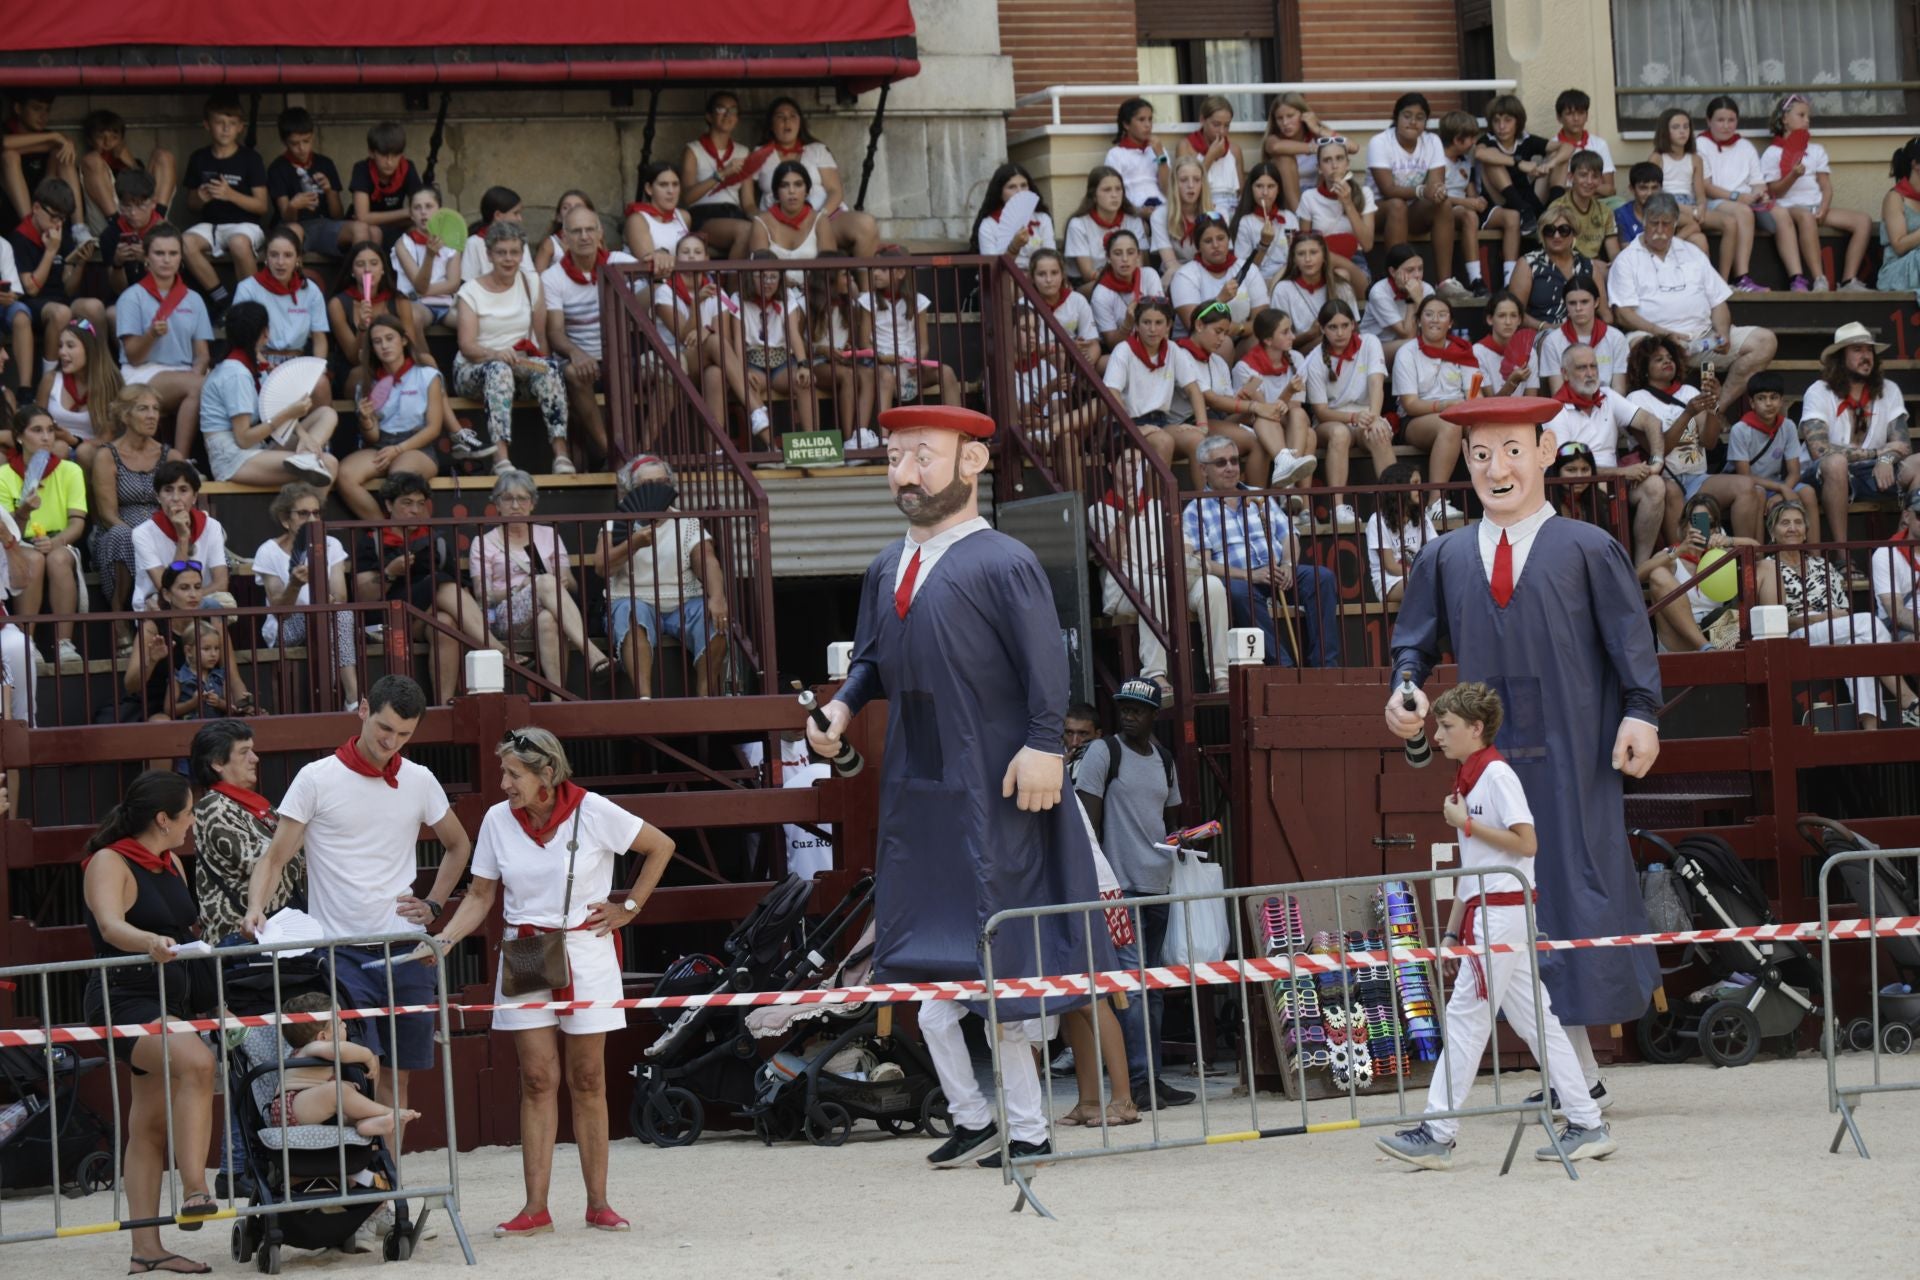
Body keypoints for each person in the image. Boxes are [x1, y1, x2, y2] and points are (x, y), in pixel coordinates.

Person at [803, 403, 1112, 1170]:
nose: (904, 473)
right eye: (893, 458)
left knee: (995, 960)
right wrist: (841, 707)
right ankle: (972, 1113)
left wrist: (1045, 744)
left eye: (922, 456)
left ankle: (1029, 1127)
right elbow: (871, 661)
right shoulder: (886, 566)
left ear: (972, 462)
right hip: (919, 789)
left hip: (991, 783)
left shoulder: (1004, 561)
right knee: (920, 959)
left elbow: (1048, 662)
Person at [1388, 395, 1662, 1113]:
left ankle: (1573, 1084)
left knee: (1568, 897)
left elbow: (1630, 640)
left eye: (1512, 450)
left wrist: (1641, 711)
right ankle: (1578, 1082)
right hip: (1490, 763)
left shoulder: (1588, 548)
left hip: (1575, 754)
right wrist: (1405, 689)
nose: (1496, 468)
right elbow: (1413, 645)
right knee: (1504, 908)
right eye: (1481, 455)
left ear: (1545, 452)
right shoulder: (1445, 556)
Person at [431, 728, 675, 1235]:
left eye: (512, 774)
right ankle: (535, 1208)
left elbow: (661, 846)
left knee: (588, 1078)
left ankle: (598, 1203)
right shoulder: (498, 820)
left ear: (546, 773)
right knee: (537, 1079)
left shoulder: (593, 810)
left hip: (586, 947)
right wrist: (444, 940)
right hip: (527, 950)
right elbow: (479, 896)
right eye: (504, 773)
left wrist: (628, 908)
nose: (504, 784)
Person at [1377, 681, 1617, 1169]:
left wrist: (1465, 824)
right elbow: (1475, 867)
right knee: (1537, 1024)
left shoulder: (1496, 775)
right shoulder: (1473, 776)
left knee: (1468, 1018)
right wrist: (1452, 929)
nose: (1437, 735)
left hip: (1500, 914)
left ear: (1475, 728)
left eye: (1446, 727)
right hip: (1495, 912)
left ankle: (1438, 1132)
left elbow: (1527, 843)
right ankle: (1587, 1122)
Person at [242, 675, 474, 1134]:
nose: (391, 741)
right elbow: (275, 857)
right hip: (340, 952)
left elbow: (459, 844)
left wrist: (433, 904)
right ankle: (363, 1173)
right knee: (347, 1073)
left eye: (404, 734)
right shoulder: (317, 777)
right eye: (384, 727)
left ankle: (387, 1178)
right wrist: (255, 908)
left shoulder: (419, 779)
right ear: (363, 709)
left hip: (405, 949)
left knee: (397, 1078)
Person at [81, 769, 219, 1276]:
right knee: (197, 1062)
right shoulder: (109, 861)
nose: (192, 823)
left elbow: (186, 930)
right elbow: (110, 925)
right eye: (188, 814)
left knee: (148, 1124)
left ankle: (146, 1249)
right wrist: (149, 943)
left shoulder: (171, 863)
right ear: (163, 819)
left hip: (169, 1000)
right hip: (124, 999)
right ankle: (196, 1187)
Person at [1074, 678, 1193, 1108]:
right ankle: (1138, 1084)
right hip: (1119, 889)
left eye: (1137, 710)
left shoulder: (1164, 759)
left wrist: (1188, 837)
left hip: (1157, 885)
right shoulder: (1104, 752)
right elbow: (1085, 824)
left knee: (1153, 987)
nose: (1128, 715)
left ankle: (1152, 1079)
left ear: (1153, 715)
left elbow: (1171, 820)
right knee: (1134, 987)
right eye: (1123, 708)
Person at [1182, 433, 1341, 667]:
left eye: (1234, 460)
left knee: (1322, 578)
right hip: (1238, 578)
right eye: (1221, 463)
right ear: (1203, 469)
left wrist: (1288, 564)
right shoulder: (1196, 509)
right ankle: (1283, 668)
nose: (1230, 468)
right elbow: (1204, 564)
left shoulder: (1258, 495)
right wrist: (1250, 575)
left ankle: (1325, 666)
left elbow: (1289, 534)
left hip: (1277, 571)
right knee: (1237, 592)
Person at [1758, 499, 1920, 729]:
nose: (1793, 528)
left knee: (1860, 647)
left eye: (1798, 522)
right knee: (1868, 622)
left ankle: (1871, 731)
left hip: (1833, 632)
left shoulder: (1822, 565)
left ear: (1806, 531)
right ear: (1772, 532)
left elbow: (1843, 610)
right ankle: (1908, 699)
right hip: (1796, 638)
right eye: (1785, 523)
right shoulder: (1767, 567)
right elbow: (1775, 623)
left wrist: (1832, 618)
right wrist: (1820, 618)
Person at [1607, 193, 1776, 407]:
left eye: (1666, 224)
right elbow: (1623, 314)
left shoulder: (1691, 252)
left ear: (1675, 224)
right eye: (1654, 223)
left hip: (1702, 339)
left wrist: (1723, 332)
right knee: (1639, 345)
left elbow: (1718, 301)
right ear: (1644, 222)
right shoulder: (1628, 259)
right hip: (1655, 339)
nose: (1659, 230)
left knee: (1764, 341)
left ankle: (1717, 409)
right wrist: (1663, 334)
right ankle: (1656, 412)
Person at [1087, 447, 1231, 694]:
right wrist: (1127, 515)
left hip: (1170, 581)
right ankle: (1155, 674)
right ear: (1111, 468)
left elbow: (1186, 544)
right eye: (1128, 462)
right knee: (1155, 585)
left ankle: (1221, 675)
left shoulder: (1157, 506)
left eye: (1139, 463)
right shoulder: (1098, 510)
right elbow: (1108, 555)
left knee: (1213, 586)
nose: (1135, 467)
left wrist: (1174, 556)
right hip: (1125, 591)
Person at [351, 471, 497, 705]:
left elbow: (460, 586)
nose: (415, 510)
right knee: (438, 581)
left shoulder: (436, 541)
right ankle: (493, 646)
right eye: (407, 503)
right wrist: (389, 573)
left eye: (420, 504)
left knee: (446, 624)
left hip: (421, 619)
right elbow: (363, 596)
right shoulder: (373, 541)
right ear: (388, 505)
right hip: (386, 620)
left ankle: (444, 704)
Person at [596, 454, 729, 698]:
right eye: (647, 484)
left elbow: (707, 560)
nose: (656, 488)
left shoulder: (686, 522)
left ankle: (706, 697)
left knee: (713, 618)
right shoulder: (617, 523)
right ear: (632, 489)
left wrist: (718, 597)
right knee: (632, 612)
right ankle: (645, 700)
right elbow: (602, 568)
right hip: (633, 599)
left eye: (662, 482)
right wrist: (634, 543)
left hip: (683, 602)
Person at [473, 469, 609, 694]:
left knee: (548, 620)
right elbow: (482, 595)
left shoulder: (548, 535)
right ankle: (592, 653)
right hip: (505, 616)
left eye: (522, 498)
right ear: (497, 504)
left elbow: (572, 584)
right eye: (508, 498)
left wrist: (562, 582)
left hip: (548, 609)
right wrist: (520, 587)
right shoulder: (484, 542)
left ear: (533, 503)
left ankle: (558, 700)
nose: (515, 505)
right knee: (545, 583)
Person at [454, 220, 573, 475]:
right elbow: (467, 346)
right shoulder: (470, 291)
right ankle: (501, 458)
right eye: (501, 252)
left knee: (550, 368)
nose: (508, 259)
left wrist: (543, 367)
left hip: (519, 364)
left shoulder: (532, 282)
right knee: (499, 370)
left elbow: (540, 337)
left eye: (514, 252)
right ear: (489, 255)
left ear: (522, 254)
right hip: (475, 368)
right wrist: (495, 354)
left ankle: (561, 455)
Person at [1548, 344, 1669, 565]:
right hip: (1581, 481)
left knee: (1655, 486)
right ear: (1565, 373)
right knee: (1600, 488)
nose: (1590, 373)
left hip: (1616, 480)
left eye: (1593, 366)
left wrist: (1657, 461)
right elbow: (1567, 467)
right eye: (1582, 368)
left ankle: (1640, 567)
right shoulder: (1556, 409)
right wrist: (1621, 473)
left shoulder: (1607, 396)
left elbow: (1651, 421)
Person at [1622, 335, 1751, 542]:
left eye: (1669, 358)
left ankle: (1749, 553)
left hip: (1697, 478)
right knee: (1675, 494)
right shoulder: (1636, 399)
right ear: (1644, 368)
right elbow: (1660, 450)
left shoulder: (1689, 392)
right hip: (1665, 479)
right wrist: (1688, 413)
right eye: (1658, 359)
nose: (1667, 362)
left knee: (1747, 487)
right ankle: (1684, 556)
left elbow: (1709, 442)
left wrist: (1714, 405)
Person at [196, 300, 338, 486]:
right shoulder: (236, 373)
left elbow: (274, 410)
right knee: (328, 463)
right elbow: (244, 439)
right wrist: (289, 413)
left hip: (258, 447)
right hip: (234, 458)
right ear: (264, 333)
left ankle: (306, 456)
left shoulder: (252, 364)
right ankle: (307, 490)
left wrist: (304, 437)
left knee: (327, 414)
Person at [1802, 321, 1915, 546]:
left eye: (1869, 350)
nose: (1866, 356)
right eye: (1857, 350)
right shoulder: (1818, 391)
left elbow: (1902, 446)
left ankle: (1903, 548)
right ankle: (1842, 553)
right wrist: (1878, 453)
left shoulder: (1889, 389)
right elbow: (1820, 451)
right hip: (1823, 475)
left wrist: (1885, 459)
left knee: (1918, 463)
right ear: (1840, 358)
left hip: (1872, 472)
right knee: (1836, 463)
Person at [252, 482, 361, 711]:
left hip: (326, 619)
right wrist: (294, 585)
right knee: (333, 616)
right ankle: (346, 698)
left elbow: (340, 596)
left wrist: (326, 599)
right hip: (286, 627)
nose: (312, 520)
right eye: (303, 513)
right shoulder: (268, 551)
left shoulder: (331, 544)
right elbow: (279, 611)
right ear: (285, 519)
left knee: (340, 614)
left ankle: (350, 698)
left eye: (316, 513)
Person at [542, 203, 632, 468]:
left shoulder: (619, 262)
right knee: (572, 372)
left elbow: (652, 275)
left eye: (590, 229)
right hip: (584, 362)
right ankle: (613, 455)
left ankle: (640, 453)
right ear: (565, 238)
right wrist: (576, 353)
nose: (584, 236)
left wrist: (660, 257)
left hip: (622, 358)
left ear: (600, 233)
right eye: (576, 231)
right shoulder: (552, 277)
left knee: (667, 370)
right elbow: (554, 331)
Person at [90, 386, 181, 642]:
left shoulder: (170, 456)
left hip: (162, 529)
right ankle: (120, 617)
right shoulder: (107, 455)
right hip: (117, 530)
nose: (152, 415)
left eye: (155, 409)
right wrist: (140, 539)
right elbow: (107, 515)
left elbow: (183, 502)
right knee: (122, 536)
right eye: (143, 409)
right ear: (125, 415)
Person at [113, 223, 212, 457]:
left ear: (181, 258)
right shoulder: (131, 297)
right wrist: (151, 335)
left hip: (184, 374)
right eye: (159, 253)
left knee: (204, 385)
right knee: (199, 386)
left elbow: (202, 354)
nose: (166, 260)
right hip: (142, 373)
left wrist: (196, 372)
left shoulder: (194, 299)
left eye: (173, 253)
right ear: (146, 258)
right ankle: (179, 460)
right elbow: (133, 356)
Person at [0, 404, 87, 668]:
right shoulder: (3, 474)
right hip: (17, 542)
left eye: (50, 430)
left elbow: (77, 522)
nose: (46, 437)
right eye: (37, 430)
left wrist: (57, 541)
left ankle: (64, 643)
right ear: (19, 436)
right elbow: (6, 530)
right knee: (34, 559)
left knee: (58, 559)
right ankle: (28, 642)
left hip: (59, 540)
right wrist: (24, 510)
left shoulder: (70, 470)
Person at [1760, 93, 1873, 292]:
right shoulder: (1773, 153)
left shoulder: (1816, 150)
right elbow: (1775, 191)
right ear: (1785, 119)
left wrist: (1824, 207)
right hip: (1790, 207)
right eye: (1801, 115)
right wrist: (1793, 176)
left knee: (1863, 221)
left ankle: (1849, 280)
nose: (1807, 120)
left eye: (1808, 116)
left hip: (1816, 206)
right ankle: (1819, 278)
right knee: (1806, 217)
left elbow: (1826, 186)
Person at [338, 315, 443, 521]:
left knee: (400, 477)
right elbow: (373, 437)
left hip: (417, 446)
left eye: (389, 338)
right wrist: (366, 420)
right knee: (345, 474)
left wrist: (398, 450)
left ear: (403, 340)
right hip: (382, 444)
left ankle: (411, 534)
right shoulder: (367, 383)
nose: (384, 346)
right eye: (377, 342)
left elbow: (434, 428)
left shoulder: (427, 375)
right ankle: (384, 530)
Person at [271, 992, 418, 1136]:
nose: (345, 1026)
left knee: (345, 1090)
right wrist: (367, 1055)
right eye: (340, 1022)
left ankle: (364, 1124)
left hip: (306, 1106)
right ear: (323, 1037)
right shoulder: (312, 1047)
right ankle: (387, 1111)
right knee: (336, 1091)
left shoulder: (312, 1050)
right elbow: (341, 1050)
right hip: (290, 1108)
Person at [752, 97, 881, 258]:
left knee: (867, 224)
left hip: (827, 218)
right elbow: (748, 200)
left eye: (792, 116)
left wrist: (820, 218)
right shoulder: (759, 153)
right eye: (780, 117)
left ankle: (861, 276)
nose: (787, 121)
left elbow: (835, 191)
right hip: (779, 224)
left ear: (800, 123)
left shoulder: (817, 150)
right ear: (771, 124)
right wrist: (761, 221)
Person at [1305, 298, 1394, 529]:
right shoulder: (1314, 359)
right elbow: (1321, 412)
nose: (1340, 332)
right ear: (1322, 329)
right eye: (1333, 327)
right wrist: (1353, 418)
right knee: (1339, 434)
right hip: (1333, 420)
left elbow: (1376, 384)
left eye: (1345, 325)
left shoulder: (1370, 342)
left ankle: (1397, 503)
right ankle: (1338, 508)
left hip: (1366, 416)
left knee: (1379, 432)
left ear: (1353, 325)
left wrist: (1374, 417)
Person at [179, 94, 269, 319]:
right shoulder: (199, 158)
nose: (226, 129)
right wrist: (201, 198)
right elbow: (191, 204)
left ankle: (252, 306)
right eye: (220, 123)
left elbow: (261, 206)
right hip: (211, 226)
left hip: (245, 226)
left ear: (240, 127)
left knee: (238, 243)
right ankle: (222, 299)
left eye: (232, 123)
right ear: (207, 125)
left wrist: (230, 195)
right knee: (184, 242)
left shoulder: (250, 158)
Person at [1367, 95, 1464, 299]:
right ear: (1396, 117)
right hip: (1378, 211)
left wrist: (1437, 192)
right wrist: (1422, 191)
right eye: (1407, 115)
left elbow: (1435, 186)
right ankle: (1397, 280)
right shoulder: (1380, 142)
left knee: (1443, 203)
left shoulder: (1432, 141)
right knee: (1397, 205)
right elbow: (1388, 189)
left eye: (1420, 117)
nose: (1413, 122)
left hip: (1413, 212)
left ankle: (1444, 282)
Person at [231, 227, 332, 397]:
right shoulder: (248, 288)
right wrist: (264, 364)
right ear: (266, 258)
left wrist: (318, 367)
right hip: (258, 359)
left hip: (297, 362)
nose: (280, 262)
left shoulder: (311, 291)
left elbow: (319, 337)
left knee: (321, 383)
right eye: (274, 255)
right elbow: (241, 337)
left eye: (288, 255)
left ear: (298, 259)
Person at [859, 248, 961, 413]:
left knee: (947, 372)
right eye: (874, 268)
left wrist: (917, 362)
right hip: (881, 364)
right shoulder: (868, 300)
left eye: (882, 269)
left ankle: (958, 424)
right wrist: (882, 358)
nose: (875, 273)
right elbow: (864, 342)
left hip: (910, 366)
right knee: (886, 377)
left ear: (900, 273)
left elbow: (923, 344)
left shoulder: (918, 301)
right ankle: (883, 430)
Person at [1391, 294, 1477, 485]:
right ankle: (1436, 498)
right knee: (1450, 425)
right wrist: (1446, 406)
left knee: (1482, 428)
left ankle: (1492, 493)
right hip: (1417, 419)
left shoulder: (1462, 350)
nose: (1435, 320)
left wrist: (1470, 407)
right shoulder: (1407, 352)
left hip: (1460, 412)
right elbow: (1410, 404)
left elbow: (1474, 393)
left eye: (1442, 315)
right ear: (1419, 321)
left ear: (1450, 322)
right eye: (1429, 314)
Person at [1231, 308, 1317, 488]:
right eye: (1285, 332)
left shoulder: (1296, 358)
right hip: (1258, 424)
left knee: (1300, 416)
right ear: (1268, 340)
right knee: (1308, 434)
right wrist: (1288, 391)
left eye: (1291, 330)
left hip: (1284, 421)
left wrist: (1289, 395)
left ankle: (1289, 479)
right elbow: (1265, 413)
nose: (1293, 336)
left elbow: (1294, 407)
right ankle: (1291, 489)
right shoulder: (1244, 368)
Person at [266, 107, 366, 261]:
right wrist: (293, 206)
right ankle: (295, 276)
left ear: (312, 136)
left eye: (306, 141)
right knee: (294, 230)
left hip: (323, 224)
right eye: (295, 143)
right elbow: (287, 218)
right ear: (284, 142)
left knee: (360, 229)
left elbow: (337, 216)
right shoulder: (277, 168)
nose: (302, 148)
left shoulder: (325, 163)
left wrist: (329, 191)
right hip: (293, 226)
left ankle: (360, 276)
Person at [1697, 97, 1774, 294]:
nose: (1726, 126)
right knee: (1743, 211)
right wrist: (1737, 197)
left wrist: (1761, 194)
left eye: (1731, 120)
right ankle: (1741, 276)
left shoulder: (1745, 146)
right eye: (1720, 120)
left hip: (1745, 201)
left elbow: (1757, 182)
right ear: (1709, 121)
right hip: (1715, 202)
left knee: (1780, 215)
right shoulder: (1701, 144)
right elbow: (1706, 186)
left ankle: (1797, 278)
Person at [131, 459, 230, 609]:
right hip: (159, 605)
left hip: (201, 602)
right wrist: (183, 537)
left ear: (195, 496)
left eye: (183, 490)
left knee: (219, 604)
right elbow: (167, 589)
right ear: (158, 496)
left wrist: (193, 598)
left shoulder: (212, 526)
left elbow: (221, 584)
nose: (176, 498)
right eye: (168, 490)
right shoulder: (142, 533)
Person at [327, 240, 420, 399]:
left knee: (427, 361)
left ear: (383, 269)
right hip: (358, 367)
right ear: (352, 271)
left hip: (395, 361)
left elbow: (410, 344)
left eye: (374, 263)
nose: (367, 269)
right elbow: (353, 357)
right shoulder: (338, 304)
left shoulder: (399, 301)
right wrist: (362, 327)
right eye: (360, 264)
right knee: (361, 374)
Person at [1728, 370, 1817, 523]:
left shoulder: (1787, 426)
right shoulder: (1740, 429)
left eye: (1774, 397)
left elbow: (1794, 472)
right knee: (1759, 493)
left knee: (1808, 492)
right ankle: (1759, 540)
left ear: (1781, 400)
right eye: (1761, 398)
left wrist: (1782, 492)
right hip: (1751, 485)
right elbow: (1745, 476)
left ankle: (1813, 540)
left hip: (1776, 483)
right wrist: (1781, 489)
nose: (1768, 403)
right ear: (1752, 403)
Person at [1435, 110, 1507, 296]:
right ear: (1457, 140)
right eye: (1471, 138)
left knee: (1471, 215)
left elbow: (1470, 189)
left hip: (1461, 209)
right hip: (1440, 210)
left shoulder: (1466, 161)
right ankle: (1475, 278)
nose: (1474, 142)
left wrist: (1477, 201)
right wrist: (1468, 203)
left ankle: (1477, 280)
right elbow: (1436, 194)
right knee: (1469, 215)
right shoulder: (1437, 160)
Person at [681, 91, 759, 260]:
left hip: (735, 214)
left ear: (737, 118)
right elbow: (687, 197)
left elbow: (748, 203)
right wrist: (722, 174)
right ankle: (733, 279)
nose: (727, 114)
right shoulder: (693, 150)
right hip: (705, 215)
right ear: (709, 116)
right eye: (721, 109)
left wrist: (763, 220)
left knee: (760, 230)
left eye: (733, 110)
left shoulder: (743, 151)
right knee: (746, 230)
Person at [36, 317, 120, 470]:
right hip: (53, 446)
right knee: (59, 448)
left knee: (84, 451)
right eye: (60, 346)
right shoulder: (50, 380)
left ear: (89, 349)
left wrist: (72, 440)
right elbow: (34, 423)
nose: (62, 352)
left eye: (70, 346)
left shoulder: (108, 384)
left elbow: (107, 439)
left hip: (91, 451)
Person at [1170, 213, 1269, 343]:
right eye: (1208, 241)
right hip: (1196, 344)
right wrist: (1219, 300)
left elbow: (1262, 321)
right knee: (1223, 342)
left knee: (1263, 339)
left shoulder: (1249, 269)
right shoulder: (1185, 275)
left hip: (1241, 337)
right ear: (1198, 246)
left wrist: (1238, 328)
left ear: (1229, 240)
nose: (1216, 245)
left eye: (1221, 238)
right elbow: (1194, 326)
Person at [391, 185, 462, 350]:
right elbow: (419, 285)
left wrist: (422, 291)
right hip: (418, 304)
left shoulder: (452, 241)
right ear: (411, 214)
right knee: (412, 317)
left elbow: (453, 284)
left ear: (440, 211)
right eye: (417, 208)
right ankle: (425, 362)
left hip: (447, 303)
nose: (423, 212)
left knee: (475, 320)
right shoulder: (403, 244)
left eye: (429, 206)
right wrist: (429, 256)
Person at [1508, 208, 1601, 331]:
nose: (1556, 236)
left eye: (1564, 230)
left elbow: (1604, 314)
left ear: (1573, 233)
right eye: (1549, 230)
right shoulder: (1528, 264)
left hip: (1583, 333)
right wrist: (1547, 327)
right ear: (1542, 234)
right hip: (1541, 334)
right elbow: (1514, 312)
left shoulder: (1588, 265)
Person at [1063, 166, 1156, 285]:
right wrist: (1118, 280)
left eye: (1118, 189)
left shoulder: (1133, 221)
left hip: (1129, 279)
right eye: (1107, 190)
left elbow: (1139, 264)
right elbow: (1087, 274)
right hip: (1091, 284)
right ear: (1094, 195)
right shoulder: (1078, 224)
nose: (1114, 195)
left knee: (1149, 277)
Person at [1535, 274, 1625, 394]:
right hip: (1568, 404)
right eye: (1572, 303)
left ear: (1596, 302)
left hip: (1607, 403)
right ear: (1566, 305)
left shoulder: (1616, 338)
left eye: (1584, 302)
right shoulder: (1552, 341)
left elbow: (1619, 390)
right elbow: (1558, 392)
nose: (1578, 308)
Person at [1363, 460, 1437, 605]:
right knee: (1424, 584)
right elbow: (1390, 566)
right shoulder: (1377, 520)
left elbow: (1436, 548)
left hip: (1418, 576)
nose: (1420, 488)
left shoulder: (1422, 518)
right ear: (1400, 487)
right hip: (1390, 582)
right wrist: (1423, 574)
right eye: (1415, 483)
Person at [1474, 94, 1550, 231]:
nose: (1501, 126)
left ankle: (1554, 209)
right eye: (1496, 121)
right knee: (1492, 160)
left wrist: (1547, 165)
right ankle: (1523, 210)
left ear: (1518, 121)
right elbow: (1479, 153)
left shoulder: (1525, 139)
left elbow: (1566, 147)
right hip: (1499, 202)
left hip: (1527, 198)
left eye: (1507, 120)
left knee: (1555, 157)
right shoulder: (1487, 140)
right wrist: (1518, 163)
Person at [1, 95, 79, 227]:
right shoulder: (6, 130)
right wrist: (52, 137)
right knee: (9, 156)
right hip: (11, 209)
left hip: (46, 202)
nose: (43, 116)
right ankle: (30, 226)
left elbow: (64, 143)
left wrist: (62, 141)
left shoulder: (50, 137)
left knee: (61, 151)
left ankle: (79, 227)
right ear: (18, 108)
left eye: (47, 110)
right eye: (36, 109)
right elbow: (4, 143)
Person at [971, 162, 1056, 272]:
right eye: (1012, 187)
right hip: (1006, 278)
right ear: (1000, 193)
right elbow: (994, 270)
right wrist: (1013, 248)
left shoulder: (1042, 219)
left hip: (1041, 277)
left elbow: (1051, 258)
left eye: (1023, 185)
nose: (1020, 192)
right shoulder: (989, 225)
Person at [348, 121, 420, 245]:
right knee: (373, 231)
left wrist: (411, 214)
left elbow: (419, 207)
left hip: (395, 225)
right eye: (383, 155)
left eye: (395, 155)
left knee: (419, 230)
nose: (389, 162)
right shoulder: (362, 169)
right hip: (367, 229)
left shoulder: (407, 168)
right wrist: (406, 212)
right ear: (371, 153)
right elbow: (362, 217)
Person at [98, 168, 166, 297]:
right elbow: (118, 290)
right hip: (125, 299)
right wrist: (118, 264)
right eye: (127, 206)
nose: (133, 213)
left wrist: (147, 261)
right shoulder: (110, 234)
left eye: (140, 205)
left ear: (153, 203)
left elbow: (170, 284)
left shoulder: (166, 233)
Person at [1229, 162, 1298, 291]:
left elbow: (1296, 259)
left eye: (1271, 186)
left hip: (1287, 279)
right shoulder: (1246, 222)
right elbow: (1243, 270)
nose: (1265, 192)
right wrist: (1263, 244)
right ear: (1251, 188)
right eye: (1259, 186)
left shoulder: (1289, 218)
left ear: (1278, 189)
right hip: (1257, 282)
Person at [1261, 92, 1332, 212]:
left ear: (1303, 115)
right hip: (1287, 201)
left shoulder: (1317, 136)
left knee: (1329, 158)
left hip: (1316, 195)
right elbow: (1276, 147)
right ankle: (1299, 216)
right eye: (1280, 118)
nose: (1285, 123)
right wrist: (1317, 148)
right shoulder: (1273, 139)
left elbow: (1350, 147)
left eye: (1290, 116)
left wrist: (1317, 129)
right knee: (1284, 158)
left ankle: (1316, 212)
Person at [1177, 96, 1245, 220]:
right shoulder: (1186, 146)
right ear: (1202, 120)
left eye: (1226, 126)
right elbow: (1185, 186)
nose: (1222, 131)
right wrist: (1210, 156)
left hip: (1232, 206)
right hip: (1203, 205)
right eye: (1216, 124)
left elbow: (1241, 191)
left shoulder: (1234, 150)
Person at [1361, 244, 1429, 363]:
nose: (1417, 275)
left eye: (1420, 269)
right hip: (1375, 347)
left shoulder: (1426, 288)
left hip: (1407, 344)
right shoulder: (1379, 292)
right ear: (1393, 272)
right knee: (1412, 346)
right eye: (1410, 270)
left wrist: (1420, 301)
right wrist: (1412, 300)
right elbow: (1407, 335)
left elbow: (1431, 329)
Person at [622, 162, 692, 276]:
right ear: (649, 189)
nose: (671, 191)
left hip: (680, 281)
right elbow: (651, 265)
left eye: (675, 184)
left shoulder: (684, 216)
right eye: (663, 185)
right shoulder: (637, 220)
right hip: (650, 283)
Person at [460, 186, 538, 287]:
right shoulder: (473, 243)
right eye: (515, 213)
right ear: (498, 215)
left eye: (514, 252)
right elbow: (468, 282)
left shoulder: (519, 241)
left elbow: (529, 276)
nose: (520, 218)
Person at [1546, 89, 1618, 198]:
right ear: (1559, 117)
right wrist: (1591, 188)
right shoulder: (1552, 146)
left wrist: (1584, 187)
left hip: (1598, 201)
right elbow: (1554, 190)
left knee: (1618, 203)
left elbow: (1610, 189)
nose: (1576, 119)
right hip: (1566, 202)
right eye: (1569, 114)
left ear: (1587, 115)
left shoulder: (1599, 144)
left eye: (1581, 113)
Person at [1871, 487, 1920, 641]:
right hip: (1904, 628)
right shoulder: (1886, 554)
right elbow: (1896, 612)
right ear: (1906, 516)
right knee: (1913, 641)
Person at [1106, 98, 1170, 211]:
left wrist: (1160, 156)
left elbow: (1168, 189)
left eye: (1150, 119)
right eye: (1141, 120)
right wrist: (1138, 212)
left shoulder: (1159, 150)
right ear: (1126, 124)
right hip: (1134, 209)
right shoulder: (1116, 154)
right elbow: (1114, 192)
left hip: (1162, 207)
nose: (1148, 125)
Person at [1474, 290, 1539, 397]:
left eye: (1513, 316)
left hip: (1522, 408)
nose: (1508, 322)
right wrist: (1511, 383)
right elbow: (1488, 403)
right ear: (1490, 319)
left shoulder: (1530, 353)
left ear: (1519, 320)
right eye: (1502, 316)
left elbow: (1531, 399)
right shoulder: (1477, 352)